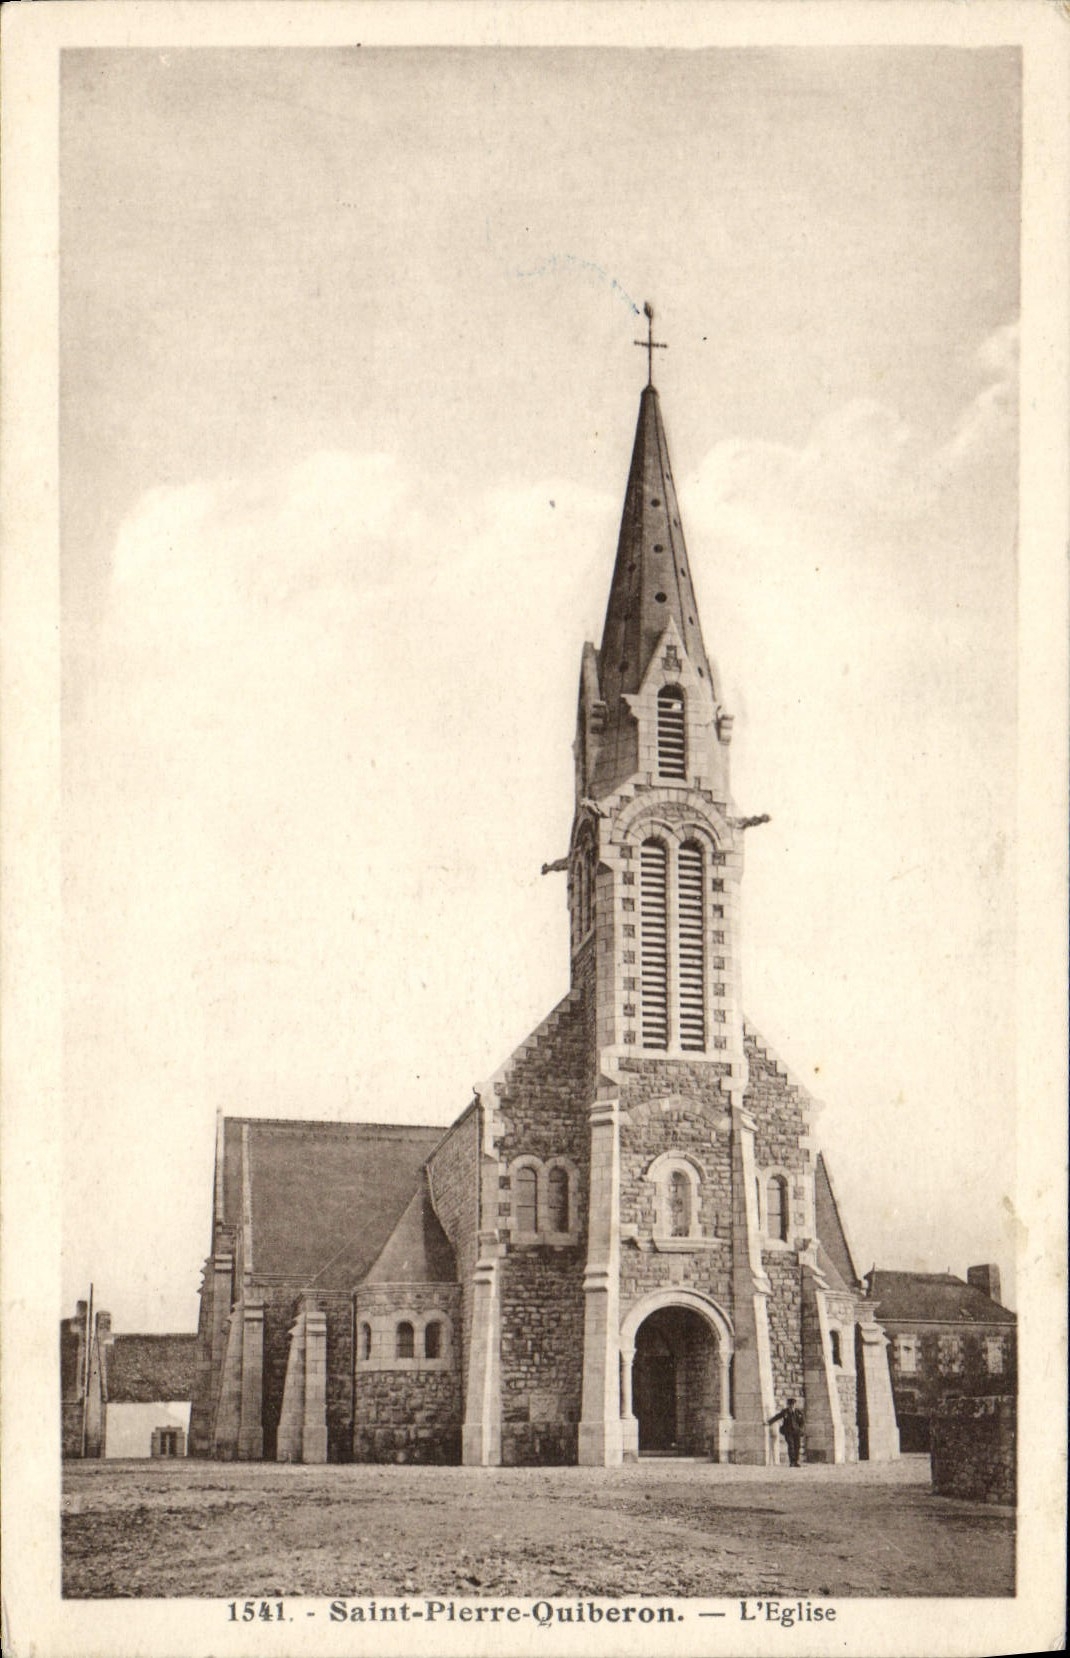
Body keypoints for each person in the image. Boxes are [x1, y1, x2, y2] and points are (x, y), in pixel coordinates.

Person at [768, 1396, 804, 1467]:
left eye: (793, 1404)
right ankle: (792, 1462)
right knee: (791, 1446)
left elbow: (802, 1422)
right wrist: (769, 1422)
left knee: (797, 1446)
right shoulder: (785, 1412)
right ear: (788, 1405)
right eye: (790, 1405)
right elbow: (777, 1417)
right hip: (788, 1432)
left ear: (795, 1405)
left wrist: (800, 1429)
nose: (792, 1406)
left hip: (796, 1432)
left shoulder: (798, 1412)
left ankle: (796, 1461)